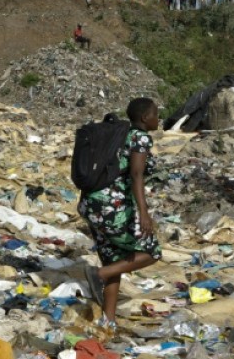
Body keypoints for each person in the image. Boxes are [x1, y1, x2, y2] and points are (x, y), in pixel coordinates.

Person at [80, 98, 162, 330]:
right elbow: (137, 175)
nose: (158, 118)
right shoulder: (140, 137)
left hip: (92, 203)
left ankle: (108, 321)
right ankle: (98, 274)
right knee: (151, 251)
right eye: (156, 113)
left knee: (115, 259)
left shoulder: (119, 134)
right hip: (111, 208)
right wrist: (144, 214)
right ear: (145, 117)